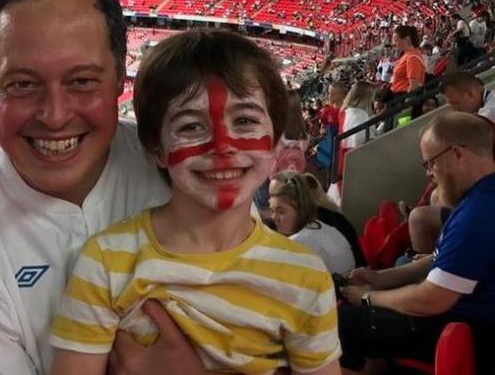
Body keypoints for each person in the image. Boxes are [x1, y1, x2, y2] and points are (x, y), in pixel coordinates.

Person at [0, 0, 200, 375]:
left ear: (119, 77)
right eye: (22, 85)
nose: (55, 115)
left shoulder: (186, 170)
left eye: (82, 81)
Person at [49, 30, 341, 375]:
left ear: (275, 142)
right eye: (191, 126)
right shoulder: (106, 262)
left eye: (244, 120)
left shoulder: (305, 276)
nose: (222, 145)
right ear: (157, 148)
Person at [338, 112, 495, 373]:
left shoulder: (477, 212)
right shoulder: (478, 199)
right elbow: (442, 263)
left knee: (345, 322)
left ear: (457, 154)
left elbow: (433, 300)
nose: (430, 175)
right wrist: (380, 278)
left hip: (472, 333)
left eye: (431, 163)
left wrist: (368, 298)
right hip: (462, 316)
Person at [268, 171, 356, 274]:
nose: (274, 217)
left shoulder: (298, 242)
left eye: (281, 211)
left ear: (300, 210)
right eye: (272, 211)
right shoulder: (323, 227)